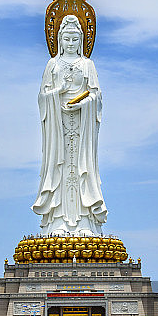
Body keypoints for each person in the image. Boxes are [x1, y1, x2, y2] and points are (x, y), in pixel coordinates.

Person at [33, 14, 107, 235]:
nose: (71, 43)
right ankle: (57, 223)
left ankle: (85, 221)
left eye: (75, 39)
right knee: (61, 169)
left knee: (82, 168)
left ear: (82, 40)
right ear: (59, 40)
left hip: (82, 127)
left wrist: (83, 104)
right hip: (58, 127)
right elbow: (42, 97)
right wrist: (59, 93)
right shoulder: (52, 65)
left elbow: (97, 96)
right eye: (67, 39)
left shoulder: (88, 65)